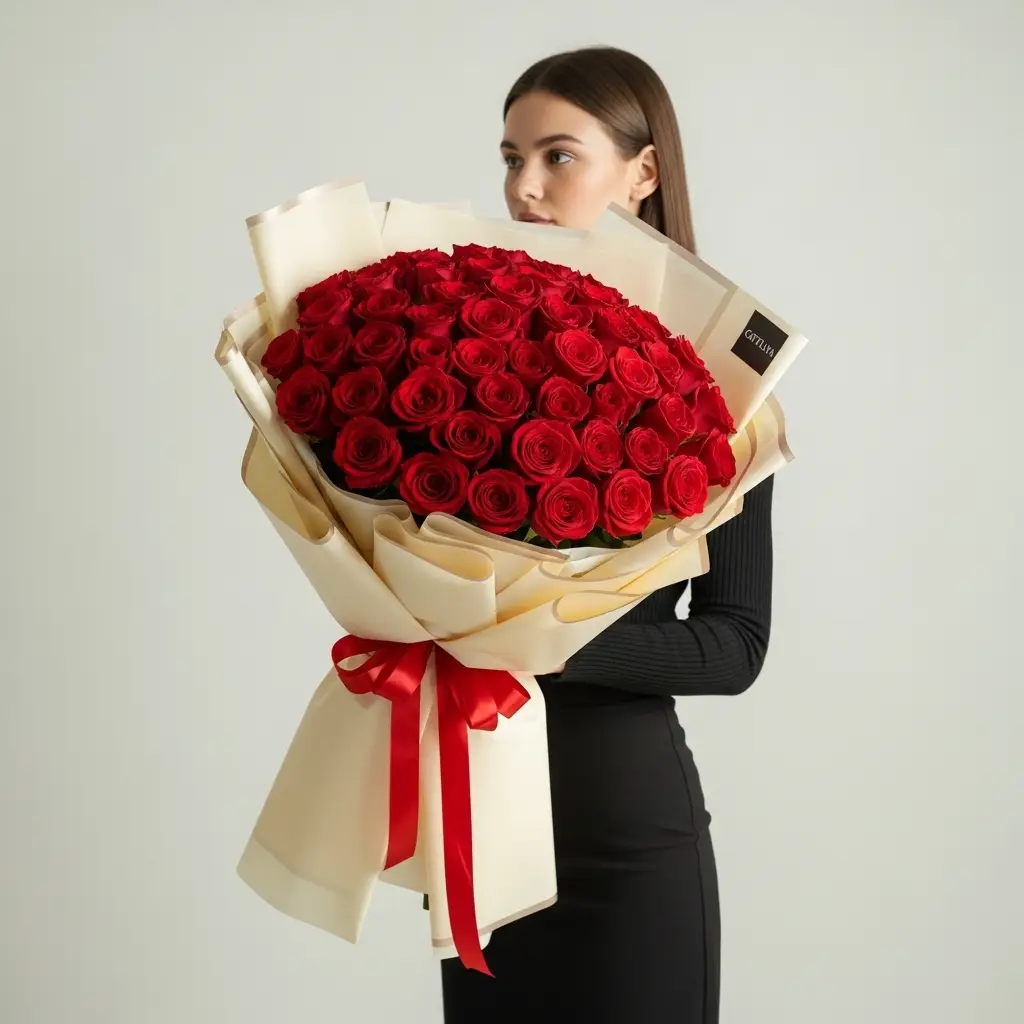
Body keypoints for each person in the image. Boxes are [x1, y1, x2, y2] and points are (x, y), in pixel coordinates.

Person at [440, 46, 775, 1024]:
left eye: (556, 157)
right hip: (484, 835)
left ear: (642, 173)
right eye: (510, 159)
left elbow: (734, 644)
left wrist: (535, 637)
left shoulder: (727, 378)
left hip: (625, 835)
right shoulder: (460, 363)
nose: (523, 189)